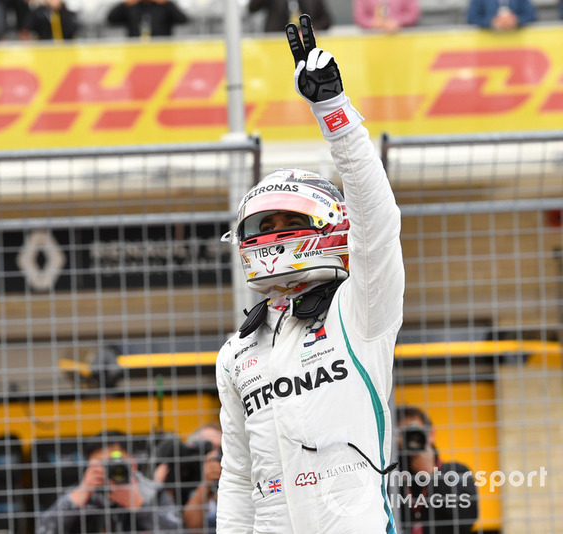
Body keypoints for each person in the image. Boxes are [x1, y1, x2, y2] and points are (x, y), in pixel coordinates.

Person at [215, 14, 404, 533]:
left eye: (291, 222)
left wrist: (334, 112)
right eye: (264, 224)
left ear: (327, 226)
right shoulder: (237, 351)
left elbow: (378, 223)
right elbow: (236, 478)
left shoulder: (360, 309)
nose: (275, 234)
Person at [36, 430, 182, 533]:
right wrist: (81, 494)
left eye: (115, 462)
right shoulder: (82, 496)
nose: (111, 469)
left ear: (132, 462)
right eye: (101, 464)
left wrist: (140, 507)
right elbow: (43, 530)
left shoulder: (153, 492)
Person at [394, 406, 479, 534]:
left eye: (415, 431)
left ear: (431, 434)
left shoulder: (457, 471)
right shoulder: (392, 477)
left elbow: (467, 519)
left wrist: (432, 475)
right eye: (403, 433)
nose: (411, 438)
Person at [181, 431, 222, 533]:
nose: (214, 455)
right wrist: (206, 483)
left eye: (220, 449)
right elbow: (193, 526)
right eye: (208, 449)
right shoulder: (185, 476)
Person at [106, 0, 188, 38]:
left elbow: (183, 19)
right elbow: (111, 19)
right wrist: (125, 4)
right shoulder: (131, 7)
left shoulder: (164, 6)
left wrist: (166, 4)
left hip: (162, 51)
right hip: (134, 51)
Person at [248, 0, 332, 33]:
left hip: (305, 48)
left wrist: (310, 31)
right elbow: (253, 8)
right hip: (276, 45)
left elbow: (326, 21)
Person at [353, 0, 420, 32]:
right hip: (372, 43)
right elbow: (360, 17)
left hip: (402, 41)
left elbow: (413, 14)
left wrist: (398, 22)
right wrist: (374, 23)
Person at [466, 0, 536, 30]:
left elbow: (531, 15)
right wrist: (491, 22)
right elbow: (472, 17)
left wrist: (516, 20)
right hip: (488, 46)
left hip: (517, 46)